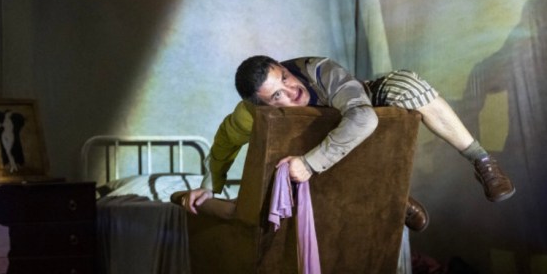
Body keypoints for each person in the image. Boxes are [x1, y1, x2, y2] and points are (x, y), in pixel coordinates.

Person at [173, 55, 515, 230]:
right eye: (277, 95)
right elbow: (224, 144)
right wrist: (210, 186)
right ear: (260, 106)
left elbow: (364, 118)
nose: (292, 90)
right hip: (327, 149)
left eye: (286, 78)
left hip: (362, 105)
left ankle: (483, 162)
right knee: (312, 143)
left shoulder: (320, 71)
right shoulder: (249, 115)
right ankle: (392, 198)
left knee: (408, 84)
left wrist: (309, 164)